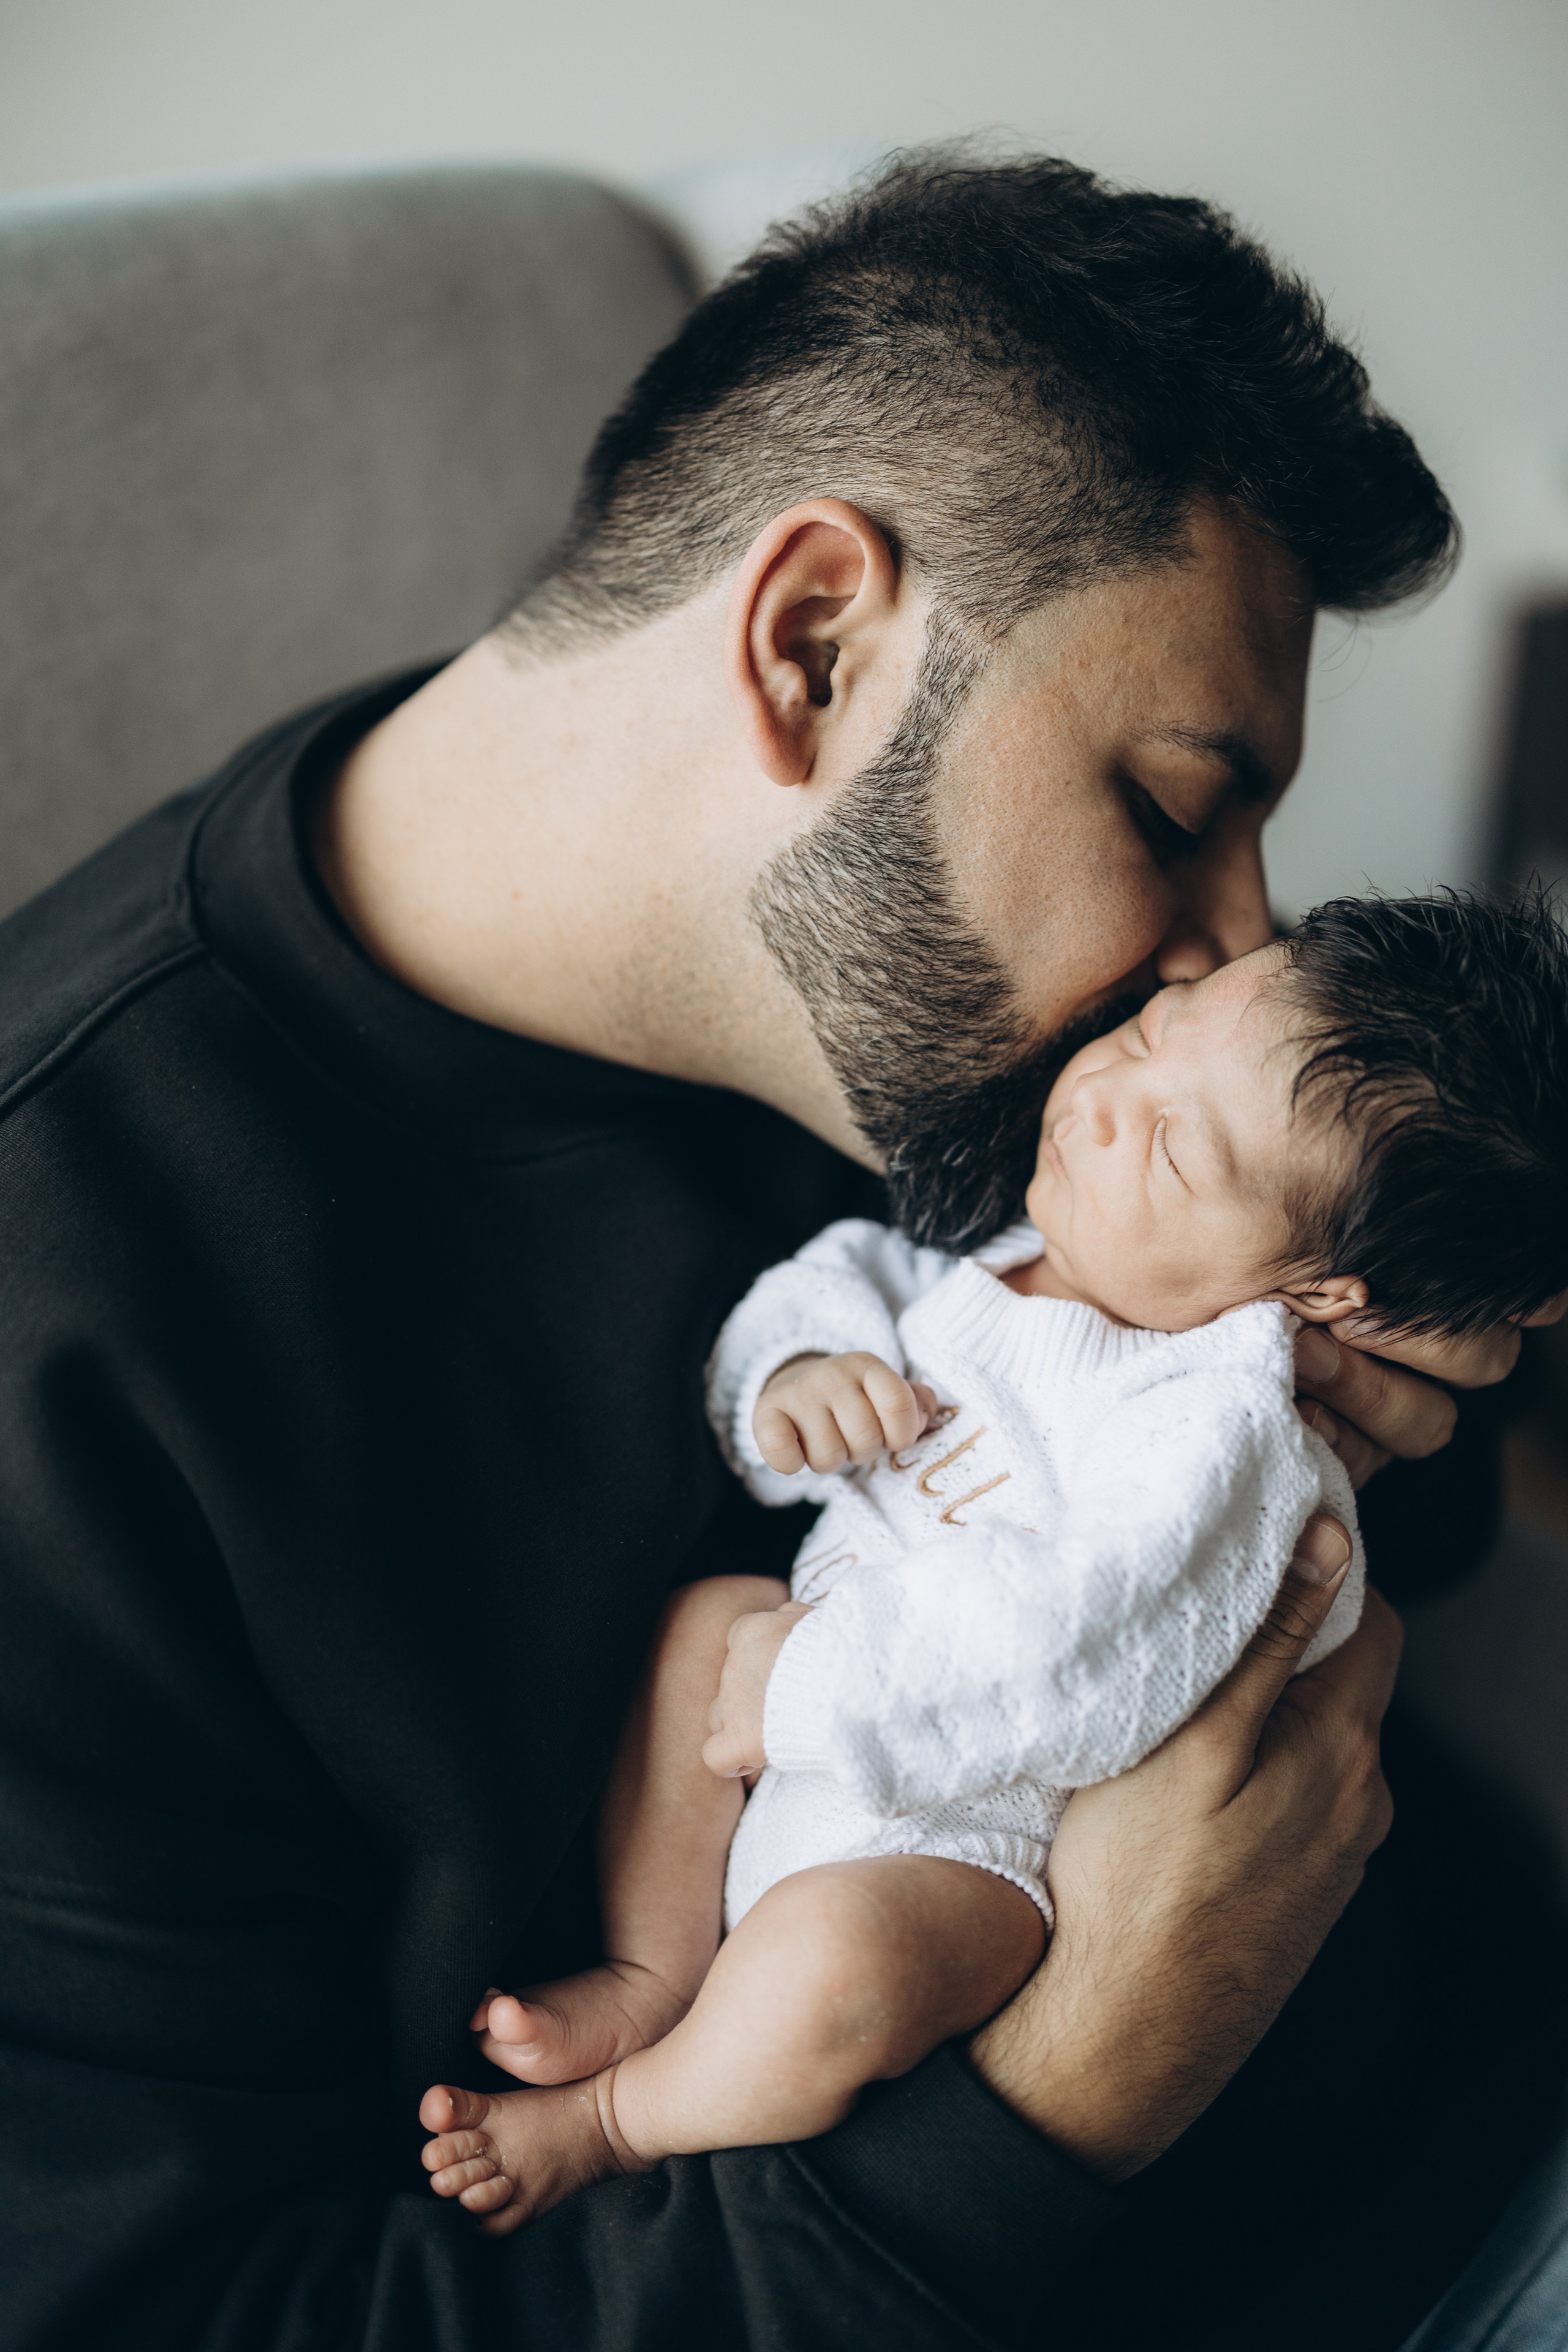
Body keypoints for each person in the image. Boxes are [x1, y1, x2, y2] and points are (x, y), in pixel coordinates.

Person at [1, 151, 1562, 2352]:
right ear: (814, 640)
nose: (1239, 957)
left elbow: (1381, 1480)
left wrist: (1394, 1416)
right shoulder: (66, 1342)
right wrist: (1081, 2085)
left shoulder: (987, 1045)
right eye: (1171, 805)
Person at [420, 894, 1568, 2229]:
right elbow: (832, 1272)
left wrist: (815, 1692)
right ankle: (649, 1973)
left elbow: (1084, 1647)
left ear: (1319, 1298)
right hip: (798, 1690)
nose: (1095, 1096)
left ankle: (624, 2114)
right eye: (1151, 1031)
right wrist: (793, 1373)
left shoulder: (1219, 1430)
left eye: (1173, 1152)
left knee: (836, 1974)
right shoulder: (1017, 1252)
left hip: (979, 1840)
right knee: (697, 1629)